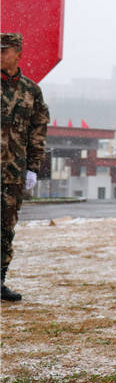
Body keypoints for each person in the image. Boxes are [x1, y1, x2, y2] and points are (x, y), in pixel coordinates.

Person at [1, 33, 50, 301]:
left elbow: (38, 131)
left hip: (14, 173)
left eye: (4, 51)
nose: (0, 55)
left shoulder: (32, 91)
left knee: (6, 228)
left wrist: (33, 167)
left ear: (18, 53)